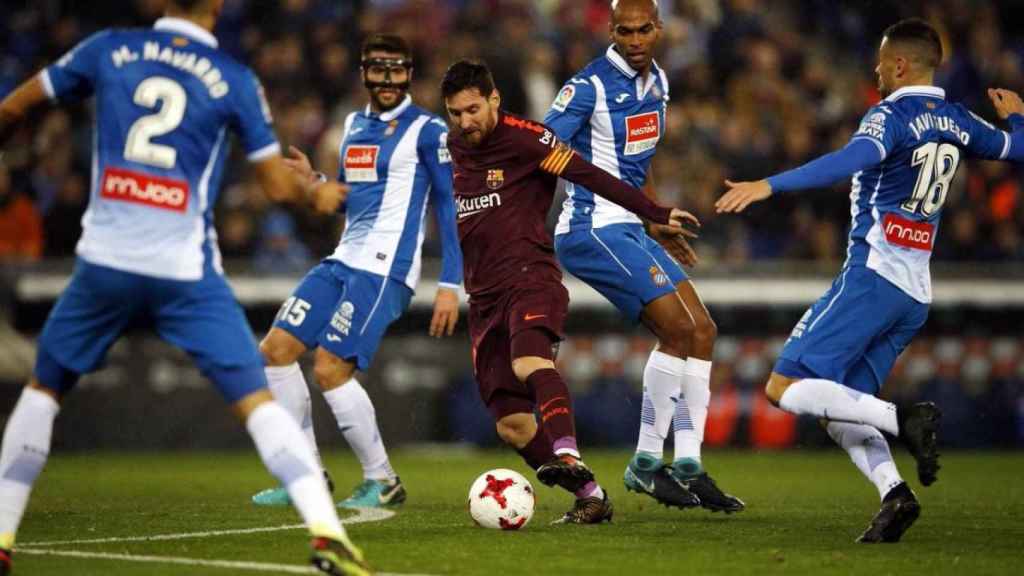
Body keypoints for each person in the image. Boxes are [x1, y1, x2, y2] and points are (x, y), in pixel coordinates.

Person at [0, 1, 370, 574]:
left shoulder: (108, 48)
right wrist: (315, 194)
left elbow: (18, 105)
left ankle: (2, 533)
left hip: (105, 263)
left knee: (43, 392)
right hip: (183, 272)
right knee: (257, 403)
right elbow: (275, 184)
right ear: (217, 6)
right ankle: (327, 533)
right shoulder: (233, 77)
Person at [716, 18, 1024, 543]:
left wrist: (769, 184)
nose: (875, 69)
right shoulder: (957, 118)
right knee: (835, 405)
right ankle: (894, 495)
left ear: (899, 65)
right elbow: (1015, 150)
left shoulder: (891, 115)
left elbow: (849, 159)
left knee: (783, 387)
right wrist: (1018, 119)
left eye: (881, 61)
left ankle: (902, 418)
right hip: (914, 293)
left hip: (873, 277)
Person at [442, 59, 697, 523]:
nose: (465, 122)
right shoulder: (454, 147)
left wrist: (652, 212)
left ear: (494, 99)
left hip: (529, 278)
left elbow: (589, 174)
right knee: (513, 426)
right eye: (455, 113)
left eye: (473, 110)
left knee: (529, 362)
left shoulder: (529, 139)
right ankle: (591, 497)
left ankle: (567, 449)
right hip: (483, 299)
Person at [544, 0, 742, 512]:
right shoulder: (586, 87)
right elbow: (541, 149)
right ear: (611, 32)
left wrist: (651, 214)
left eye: (644, 30)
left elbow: (638, 160)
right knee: (677, 330)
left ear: (659, 29)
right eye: (625, 32)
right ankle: (647, 464)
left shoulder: (660, 85)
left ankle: (689, 465)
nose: (635, 40)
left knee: (702, 331)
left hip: (630, 226)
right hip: (590, 228)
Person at [251, 34, 462, 509]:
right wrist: (318, 183)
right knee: (276, 350)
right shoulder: (351, 125)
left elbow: (449, 206)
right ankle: (302, 476)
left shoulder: (427, 130)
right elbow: (353, 196)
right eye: (378, 69)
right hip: (343, 258)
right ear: (364, 72)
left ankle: (382, 479)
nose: (388, 79)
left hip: (385, 270)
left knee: (329, 368)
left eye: (397, 69)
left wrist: (450, 284)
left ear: (410, 73)